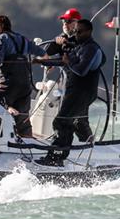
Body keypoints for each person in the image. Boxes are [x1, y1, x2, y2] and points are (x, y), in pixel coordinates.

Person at [36, 19, 106, 167]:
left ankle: (56, 157)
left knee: (60, 121)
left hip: (83, 92)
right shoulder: (79, 46)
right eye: (75, 31)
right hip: (74, 91)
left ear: (89, 32)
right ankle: (62, 155)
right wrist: (43, 62)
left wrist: (68, 62)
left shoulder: (92, 48)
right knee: (67, 122)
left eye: (80, 32)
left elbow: (81, 70)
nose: (77, 34)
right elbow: (64, 60)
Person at [0, 15, 44, 138]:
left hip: (9, 84)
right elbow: (42, 53)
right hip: (25, 85)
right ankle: (27, 143)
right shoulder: (22, 39)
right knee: (23, 118)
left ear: (1, 25)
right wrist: (47, 63)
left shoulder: (0, 38)